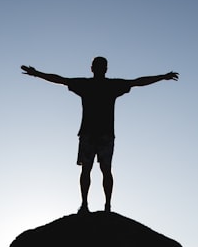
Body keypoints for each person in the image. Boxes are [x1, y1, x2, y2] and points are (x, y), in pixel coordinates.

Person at [21, 57, 178, 213]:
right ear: (103, 68)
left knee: (98, 170)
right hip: (96, 134)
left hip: (98, 134)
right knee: (98, 170)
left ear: (93, 68)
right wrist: (37, 74)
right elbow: (137, 82)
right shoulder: (105, 85)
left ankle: (97, 205)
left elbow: (138, 82)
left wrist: (37, 74)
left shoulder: (95, 85)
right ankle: (94, 205)